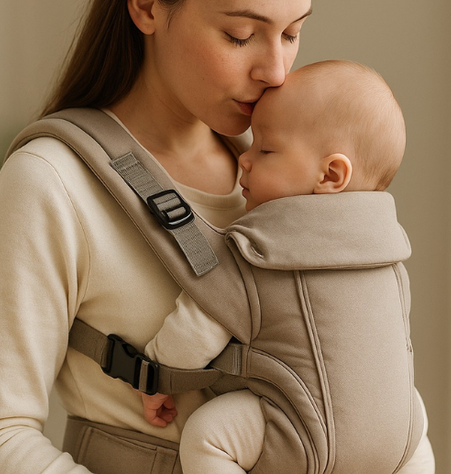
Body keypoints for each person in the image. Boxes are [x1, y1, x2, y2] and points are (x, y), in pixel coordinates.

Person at [0, 0, 435, 472]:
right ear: (147, 4)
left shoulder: (288, 186)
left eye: (292, 33)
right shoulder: (50, 185)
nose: (276, 71)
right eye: (240, 35)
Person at [139, 59, 434, 474]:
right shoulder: (390, 258)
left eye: (266, 148)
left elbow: (194, 331)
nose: (245, 158)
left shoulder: (255, 250)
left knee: (207, 435)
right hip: (396, 438)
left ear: (330, 174)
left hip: (300, 435)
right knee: (414, 417)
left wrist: (157, 375)